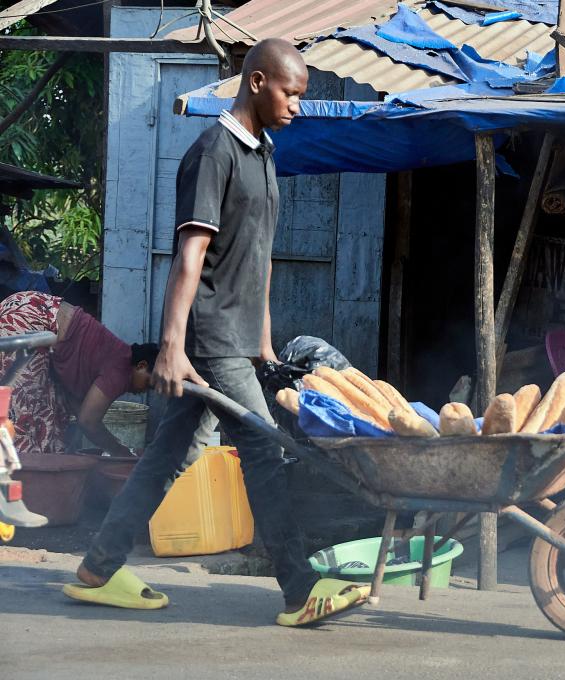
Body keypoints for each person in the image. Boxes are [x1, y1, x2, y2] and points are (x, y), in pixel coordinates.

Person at [64, 38, 364, 626]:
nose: (298, 105)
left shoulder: (263, 153)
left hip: (237, 338)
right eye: (290, 92)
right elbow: (190, 256)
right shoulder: (213, 151)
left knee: (167, 457)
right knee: (263, 449)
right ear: (257, 82)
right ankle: (300, 590)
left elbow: (260, 258)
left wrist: (265, 341)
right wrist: (172, 347)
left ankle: (97, 568)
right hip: (209, 338)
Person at [0, 291, 157, 457]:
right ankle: (22, 475)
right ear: (141, 365)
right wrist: (121, 453)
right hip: (31, 319)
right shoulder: (121, 370)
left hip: (25, 304)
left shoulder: (116, 354)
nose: (144, 390)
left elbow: (77, 406)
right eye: (148, 384)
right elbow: (88, 422)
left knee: (53, 408)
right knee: (24, 412)